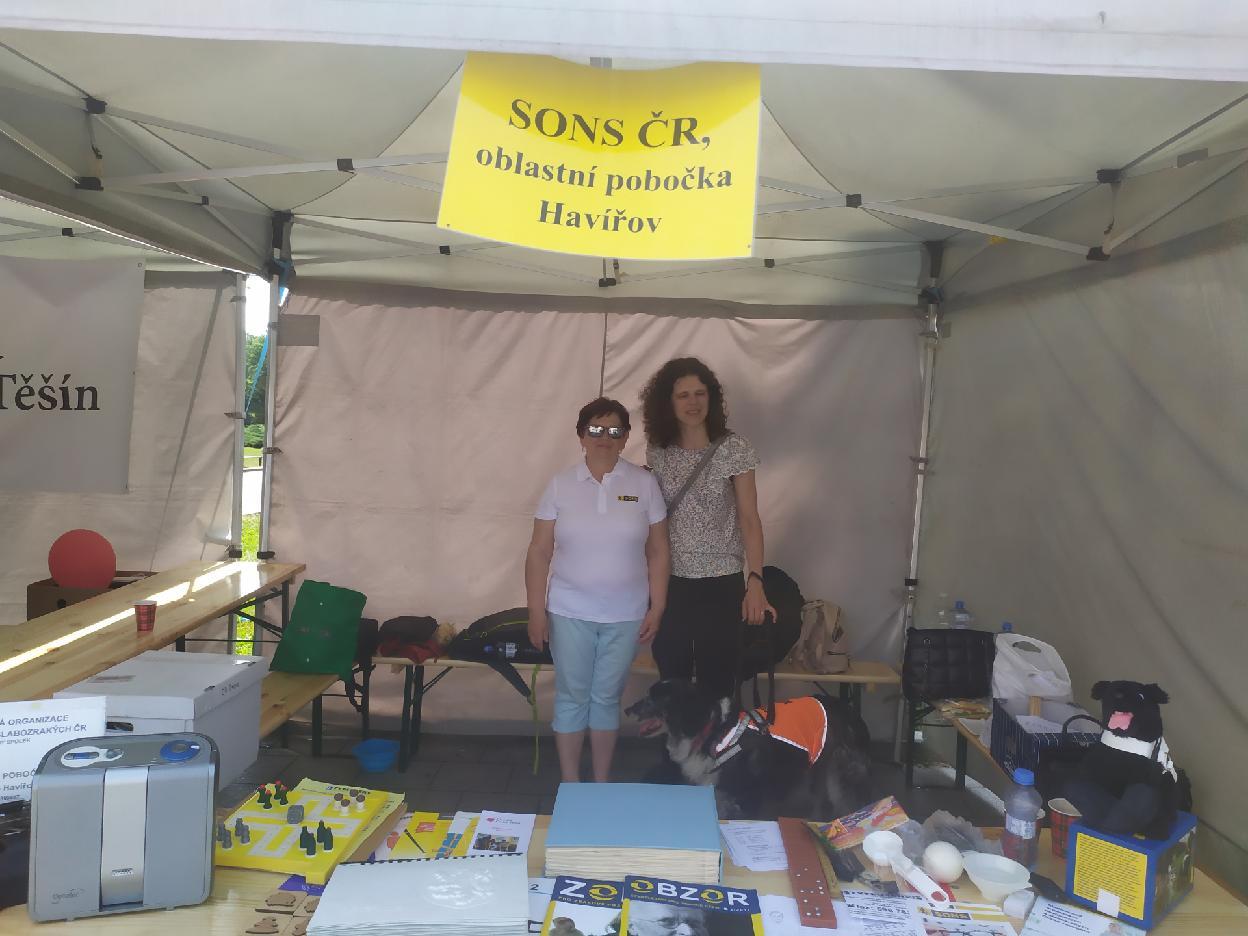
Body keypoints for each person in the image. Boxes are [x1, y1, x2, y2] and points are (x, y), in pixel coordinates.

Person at [526, 397, 670, 782]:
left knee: (606, 698)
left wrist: (657, 606)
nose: (604, 437)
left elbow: (658, 550)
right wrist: (536, 611)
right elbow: (539, 551)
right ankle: (572, 783)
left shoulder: (644, 484)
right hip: (569, 611)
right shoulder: (560, 485)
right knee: (572, 697)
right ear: (580, 436)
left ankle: (601, 784)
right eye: (595, 429)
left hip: (626, 614)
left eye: (614, 430)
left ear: (625, 438)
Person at [641, 357, 774, 703]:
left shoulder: (735, 448)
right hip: (671, 582)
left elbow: (750, 519)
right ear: (668, 402)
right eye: (683, 395)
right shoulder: (659, 451)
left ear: (711, 397)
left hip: (721, 581)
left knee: (719, 683)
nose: (693, 402)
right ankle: (678, 741)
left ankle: (721, 740)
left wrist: (755, 581)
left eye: (700, 393)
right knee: (672, 679)